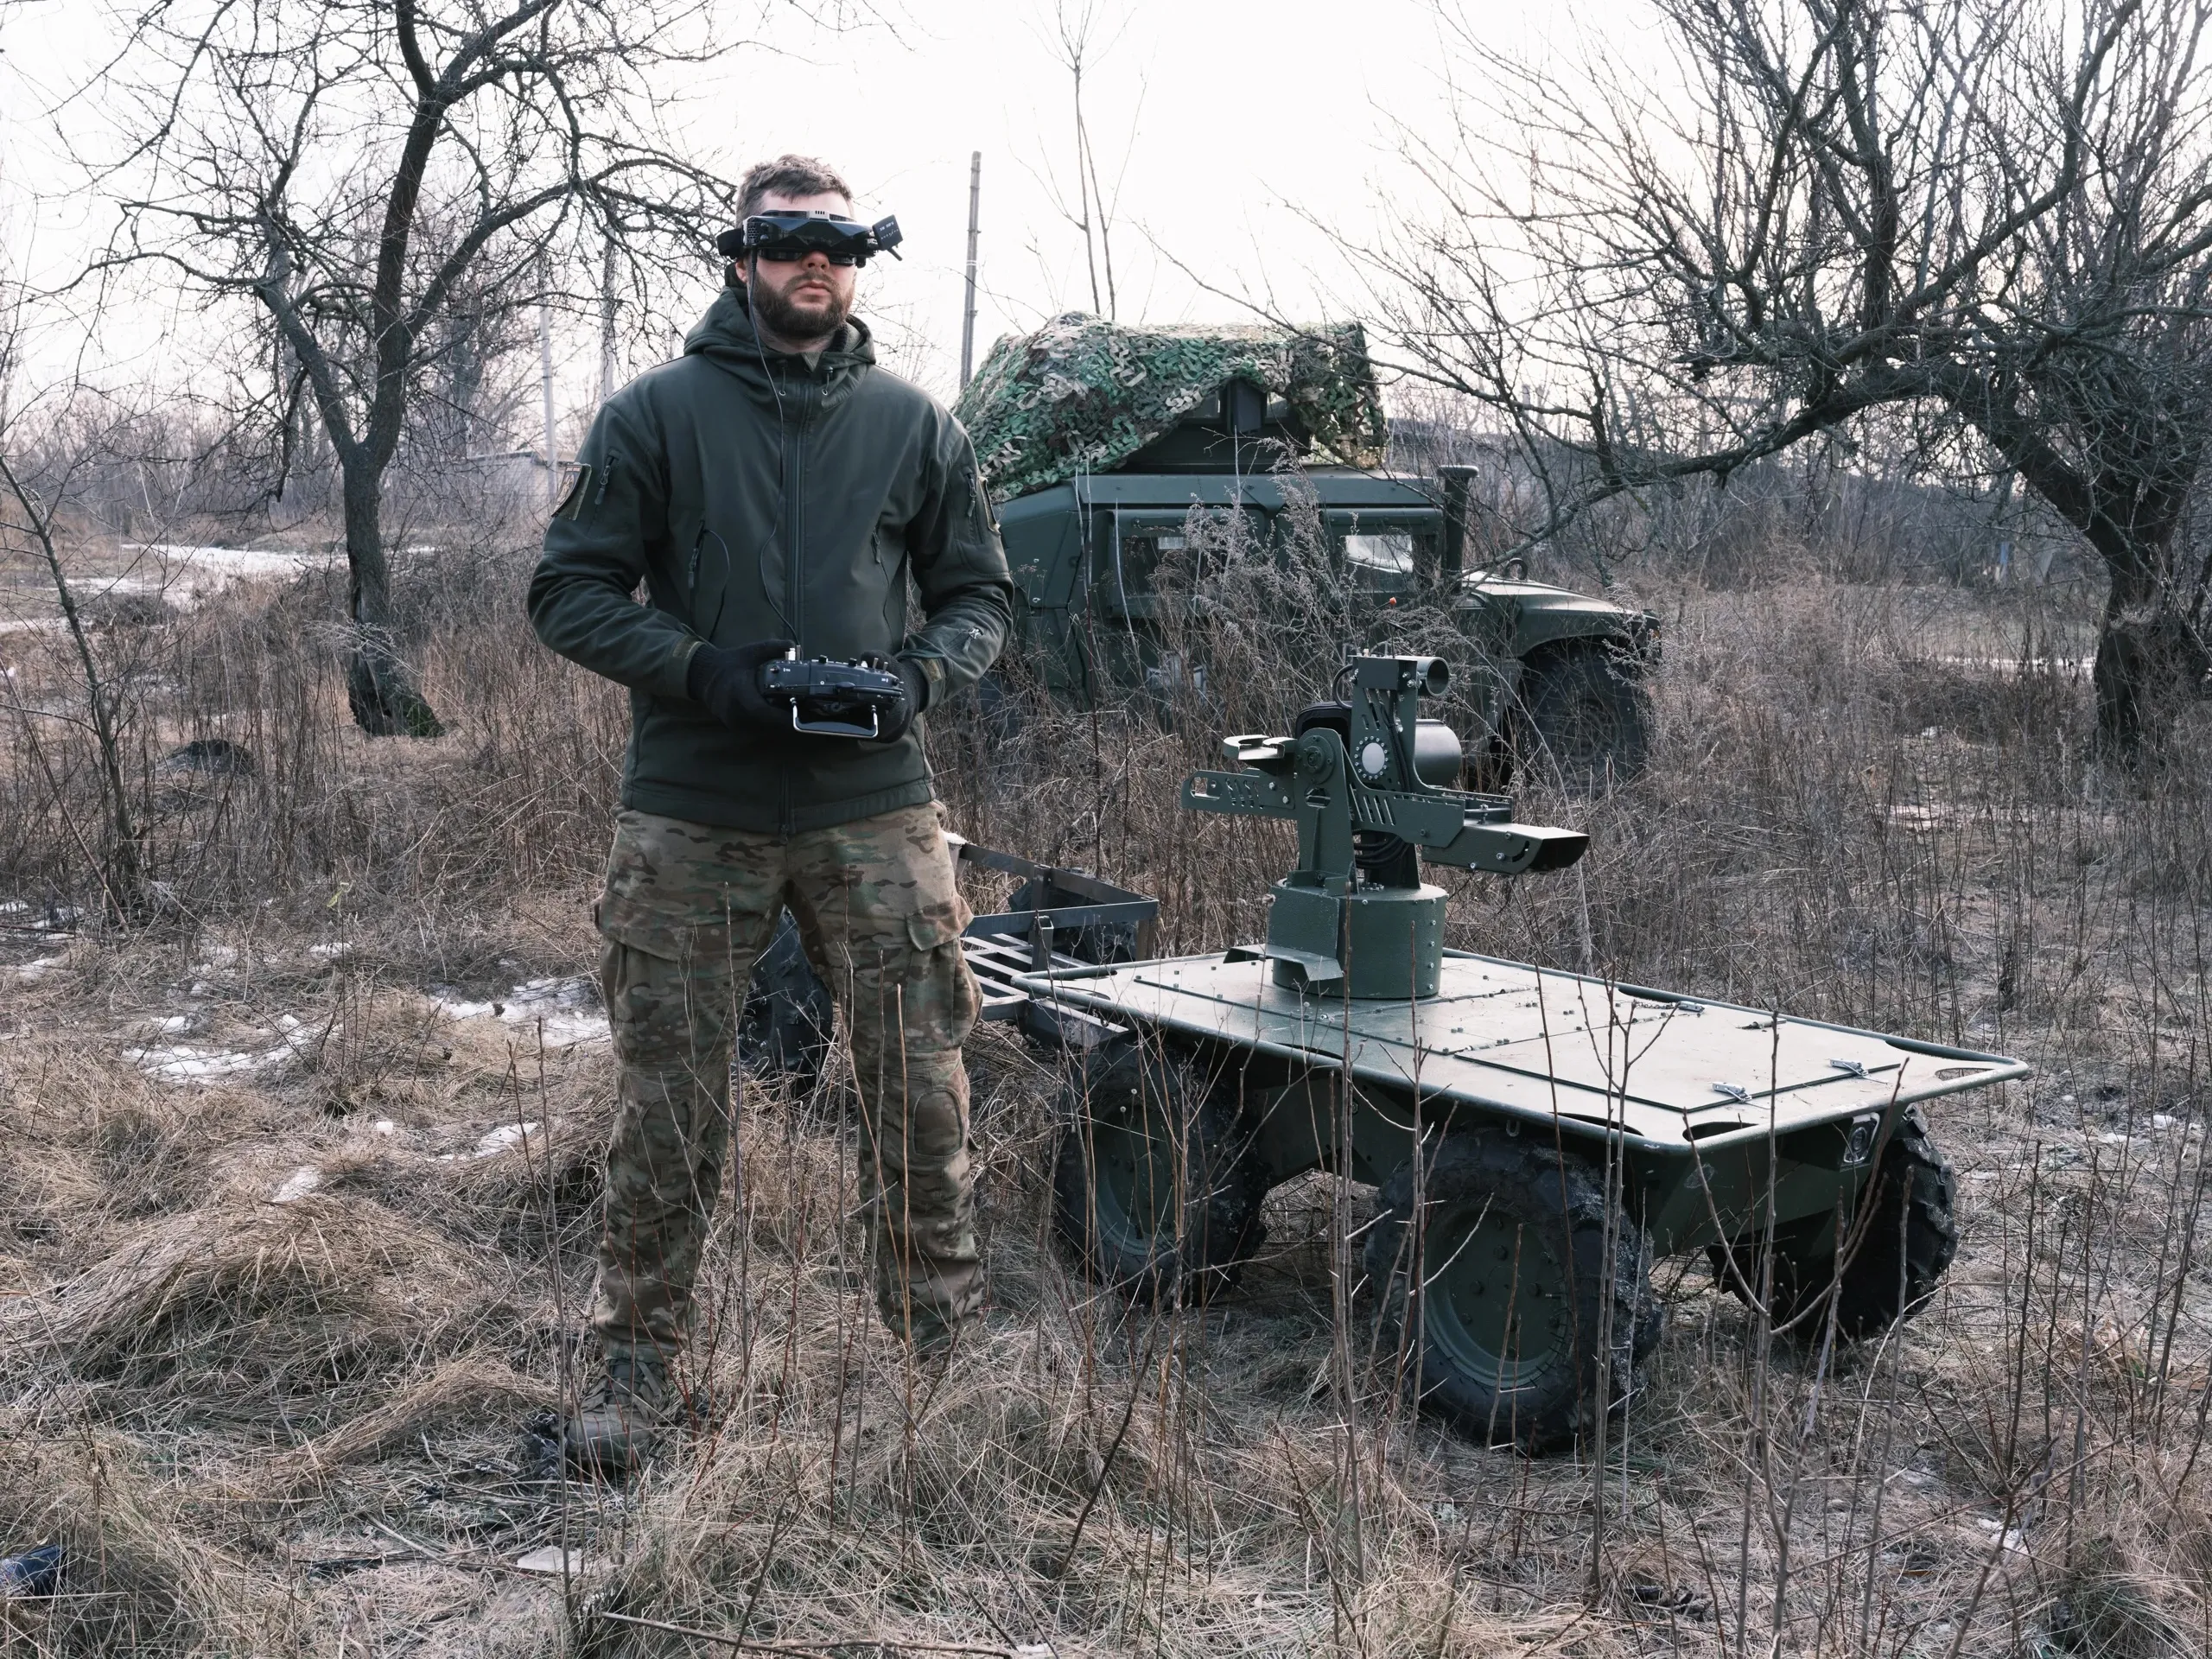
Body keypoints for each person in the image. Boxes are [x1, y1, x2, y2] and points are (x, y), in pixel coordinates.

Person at [527, 154, 1012, 1473]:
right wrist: (704, 671)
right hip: (696, 801)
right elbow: (567, 592)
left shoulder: (918, 426)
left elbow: (980, 597)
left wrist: (917, 677)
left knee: (922, 1090)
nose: (818, 261)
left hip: (874, 807)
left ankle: (942, 1372)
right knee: (672, 1101)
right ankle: (638, 1375)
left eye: (843, 242)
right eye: (791, 239)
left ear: (861, 261)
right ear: (741, 255)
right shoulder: (657, 416)